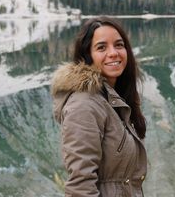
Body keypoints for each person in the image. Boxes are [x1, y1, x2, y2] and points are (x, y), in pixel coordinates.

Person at [51, 17, 147, 196]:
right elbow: (80, 187)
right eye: (101, 47)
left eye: (119, 45)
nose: (113, 53)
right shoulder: (84, 106)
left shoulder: (112, 98)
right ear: (87, 57)